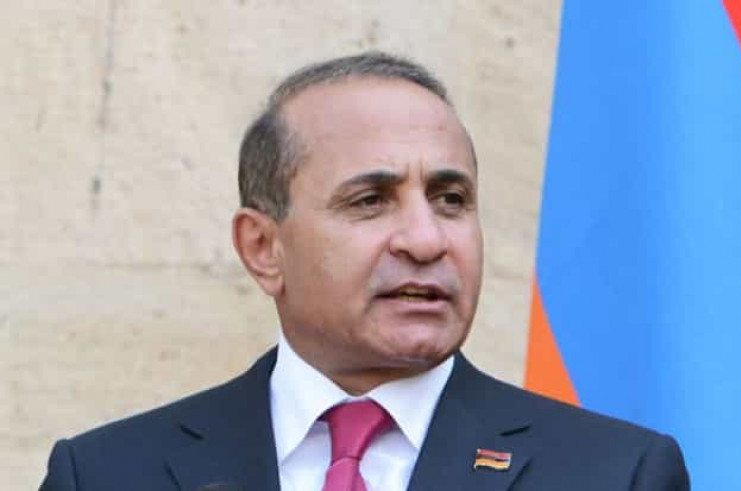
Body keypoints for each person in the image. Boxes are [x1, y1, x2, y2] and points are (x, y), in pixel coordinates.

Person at [40, 51, 689, 491]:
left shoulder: (615, 473)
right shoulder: (106, 473)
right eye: (370, 201)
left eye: (450, 199)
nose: (426, 239)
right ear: (263, 247)